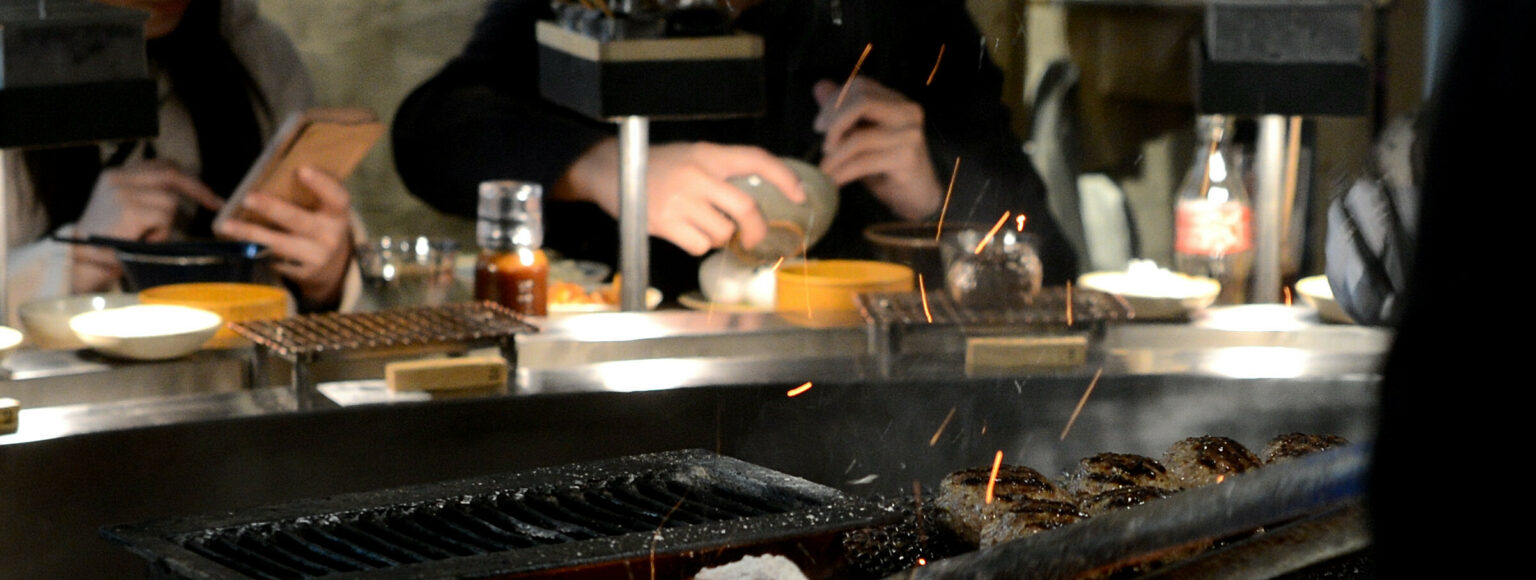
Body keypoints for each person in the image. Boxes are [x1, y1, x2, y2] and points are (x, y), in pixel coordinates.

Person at [392, 0, 1077, 298]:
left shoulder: (902, 18)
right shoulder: (595, 4)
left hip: (847, 406)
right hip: (634, 410)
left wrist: (934, 185)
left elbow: (1052, 257)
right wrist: (605, 168)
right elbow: (431, 131)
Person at [4, 0, 357, 320]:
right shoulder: (16, 47)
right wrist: (66, 261)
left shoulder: (257, 53)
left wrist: (331, 279)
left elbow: (342, 289)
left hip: (237, 372)